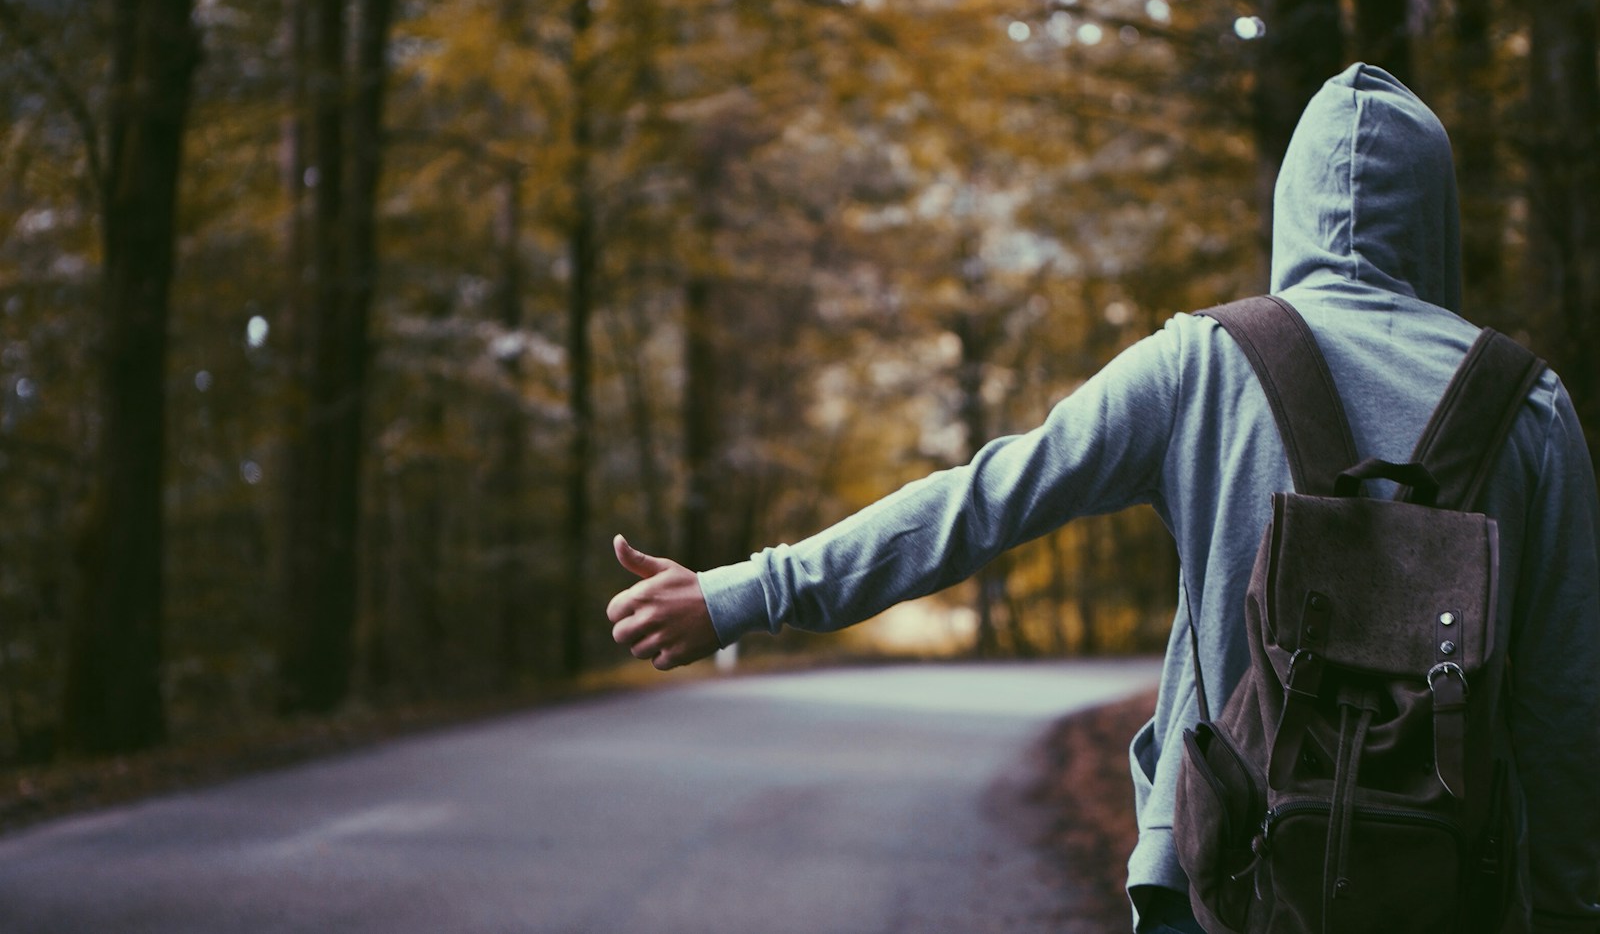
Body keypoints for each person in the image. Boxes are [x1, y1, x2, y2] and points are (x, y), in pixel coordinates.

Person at [605, 64, 1600, 933]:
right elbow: (1566, 699)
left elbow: (982, 500)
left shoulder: (1203, 363)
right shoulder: (1528, 404)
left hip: (1222, 880)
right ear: (1439, 215)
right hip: (1447, 890)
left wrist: (743, 592)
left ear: (1288, 206)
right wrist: (1563, 905)